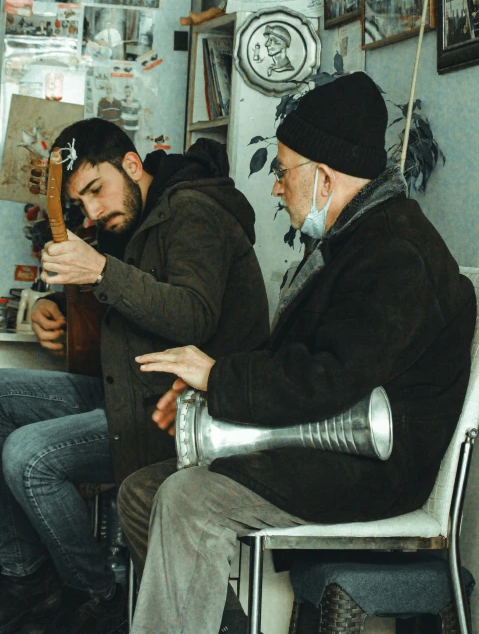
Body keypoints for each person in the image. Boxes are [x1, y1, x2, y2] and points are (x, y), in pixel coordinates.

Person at [117, 72, 477, 634]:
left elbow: (329, 379)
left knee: (188, 497)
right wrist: (209, 390)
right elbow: (298, 362)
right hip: (319, 440)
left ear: (325, 177)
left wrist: (216, 375)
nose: (276, 186)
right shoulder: (352, 239)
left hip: (370, 464)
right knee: (143, 490)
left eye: (284, 172)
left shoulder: (397, 254)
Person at [0, 119, 269, 634]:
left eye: (96, 191)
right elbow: (134, 292)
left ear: (131, 164)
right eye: (81, 203)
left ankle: (98, 591)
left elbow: (192, 314)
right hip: (123, 389)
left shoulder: (194, 212)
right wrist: (54, 307)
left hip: (176, 416)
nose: (94, 212)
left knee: (28, 456)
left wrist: (98, 270)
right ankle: (25, 576)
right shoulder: (131, 218)